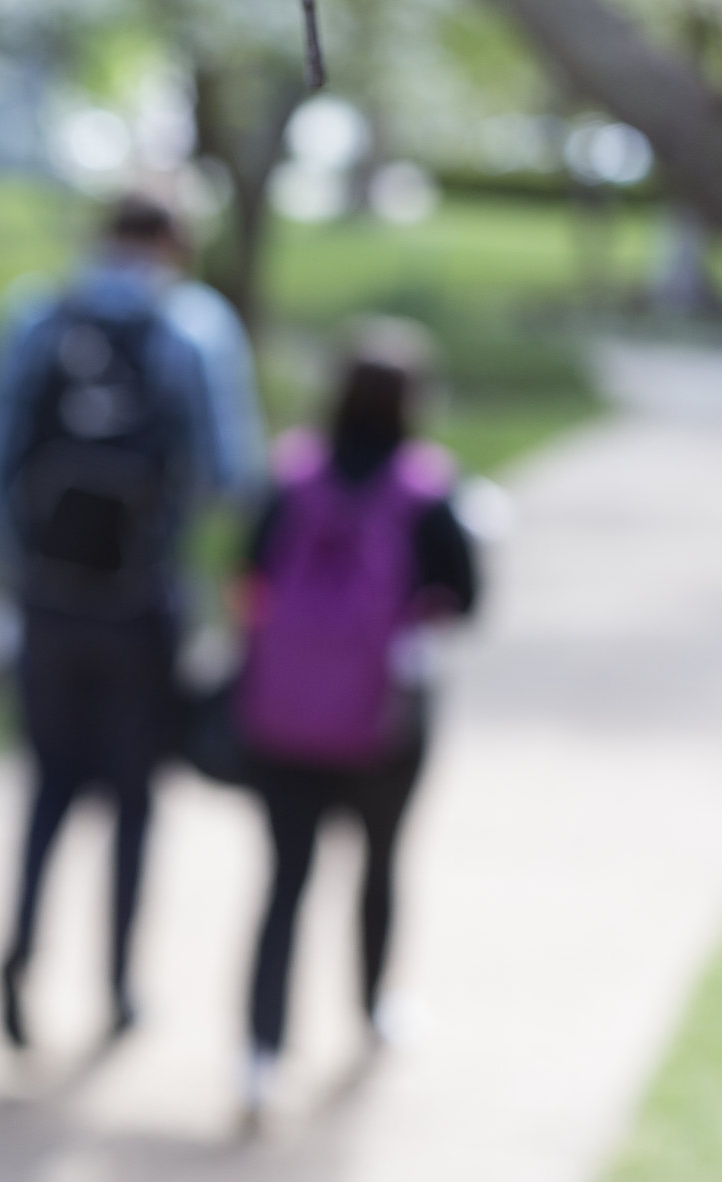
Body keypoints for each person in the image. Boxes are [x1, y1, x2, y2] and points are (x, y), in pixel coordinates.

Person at [0, 194, 263, 1050]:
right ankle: (120, 984)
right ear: (175, 243)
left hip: (47, 601)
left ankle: (20, 952)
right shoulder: (196, 326)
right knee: (135, 802)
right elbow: (229, 475)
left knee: (49, 787)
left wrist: (16, 561)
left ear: (104, 235)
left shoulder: (37, 312)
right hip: (144, 607)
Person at [231, 319, 479, 1113]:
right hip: (385, 725)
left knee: (284, 883)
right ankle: (371, 1013)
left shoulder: (293, 475)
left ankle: (260, 1054)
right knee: (378, 868)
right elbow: (466, 601)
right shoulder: (428, 489)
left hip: (285, 719)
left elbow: (246, 578)